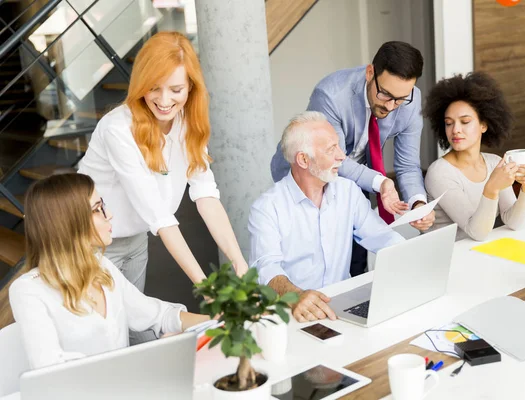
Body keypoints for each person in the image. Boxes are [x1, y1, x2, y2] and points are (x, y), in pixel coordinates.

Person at [78, 32, 247, 295]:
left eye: (176, 90)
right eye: (154, 87)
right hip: (91, 242)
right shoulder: (118, 129)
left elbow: (205, 194)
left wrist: (239, 261)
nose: (165, 101)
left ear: (191, 87)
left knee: (140, 330)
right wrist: (205, 286)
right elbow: (159, 216)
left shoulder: (188, 123)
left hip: (135, 239)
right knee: (108, 331)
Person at [9, 174, 211, 370]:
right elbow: (52, 370)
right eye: (98, 209)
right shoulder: (28, 291)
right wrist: (146, 361)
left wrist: (217, 322)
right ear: (69, 223)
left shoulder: (101, 266)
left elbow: (158, 315)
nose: (110, 214)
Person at [270, 41, 434, 277]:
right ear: (370, 73)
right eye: (385, 94)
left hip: (357, 177)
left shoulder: (409, 100)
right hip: (309, 176)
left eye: (400, 99)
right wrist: (381, 182)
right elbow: (333, 159)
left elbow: (407, 164)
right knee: (311, 259)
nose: (391, 105)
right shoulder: (331, 95)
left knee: (357, 254)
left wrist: (418, 204)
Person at [249, 112, 404, 323]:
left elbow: (383, 238)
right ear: (303, 159)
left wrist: (415, 258)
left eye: (339, 146)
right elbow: (266, 269)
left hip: (343, 308)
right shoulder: (267, 207)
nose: (342, 156)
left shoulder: (348, 191)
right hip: (294, 314)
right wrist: (296, 296)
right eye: (331, 149)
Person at [423, 72, 525, 241]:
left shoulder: (493, 163)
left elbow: (514, 222)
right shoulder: (440, 173)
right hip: (446, 258)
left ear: (484, 124)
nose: (455, 130)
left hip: (478, 253)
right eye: (449, 123)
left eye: (465, 121)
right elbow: (476, 231)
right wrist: (492, 188)